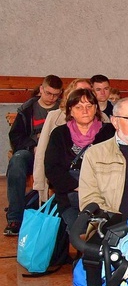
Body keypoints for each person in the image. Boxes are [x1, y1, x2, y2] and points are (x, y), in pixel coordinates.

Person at [44, 89, 115, 228]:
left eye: (89, 106)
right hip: (70, 196)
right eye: (79, 107)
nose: (85, 111)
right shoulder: (60, 134)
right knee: (78, 229)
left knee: (107, 228)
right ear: (70, 110)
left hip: (104, 196)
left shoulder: (109, 132)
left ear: (96, 108)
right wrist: (79, 186)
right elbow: (52, 168)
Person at [6, 74, 62, 236]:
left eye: (56, 95)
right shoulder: (27, 109)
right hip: (32, 153)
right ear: (41, 90)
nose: (52, 98)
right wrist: (33, 146)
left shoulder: (62, 111)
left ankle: (57, 217)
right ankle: (15, 218)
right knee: (17, 161)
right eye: (48, 93)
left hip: (55, 156)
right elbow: (16, 137)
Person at [33, 78, 97, 202]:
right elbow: (44, 156)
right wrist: (41, 185)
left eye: (88, 91)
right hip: (69, 186)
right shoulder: (56, 121)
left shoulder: (104, 124)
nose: (83, 95)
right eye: (79, 91)